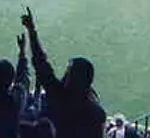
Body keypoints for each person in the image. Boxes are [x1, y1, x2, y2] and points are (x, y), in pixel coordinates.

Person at [21, 7, 106, 138]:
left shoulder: (58, 96)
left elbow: (41, 64)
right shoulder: (96, 112)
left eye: (68, 71)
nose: (65, 74)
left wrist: (31, 31)